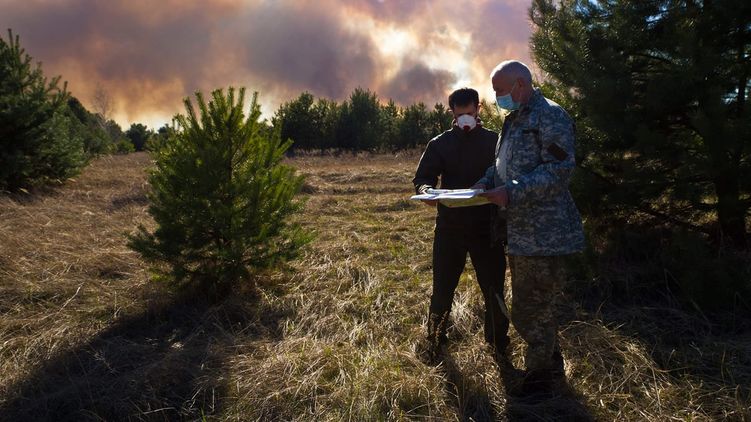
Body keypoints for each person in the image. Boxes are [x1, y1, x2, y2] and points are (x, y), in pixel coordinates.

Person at [475, 60, 585, 392]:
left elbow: (559, 170)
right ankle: (550, 364)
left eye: (500, 90)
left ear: (520, 85)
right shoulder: (514, 119)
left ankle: (541, 379)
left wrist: (511, 192)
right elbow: (503, 165)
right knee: (532, 304)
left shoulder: (549, 116)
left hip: (544, 232)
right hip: (520, 232)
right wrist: (485, 182)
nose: (498, 97)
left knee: (531, 308)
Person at [413, 87, 509, 364]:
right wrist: (426, 191)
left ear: (478, 108)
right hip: (450, 228)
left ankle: (498, 344)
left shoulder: (495, 141)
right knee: (442, 289)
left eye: (469, 112)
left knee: (493, 289)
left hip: (486, 229)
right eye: (459, 115)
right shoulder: (440, 143)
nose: (465, 118)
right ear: (451, 113)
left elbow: (505, 174)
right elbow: (423, 178)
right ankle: (435, 341)